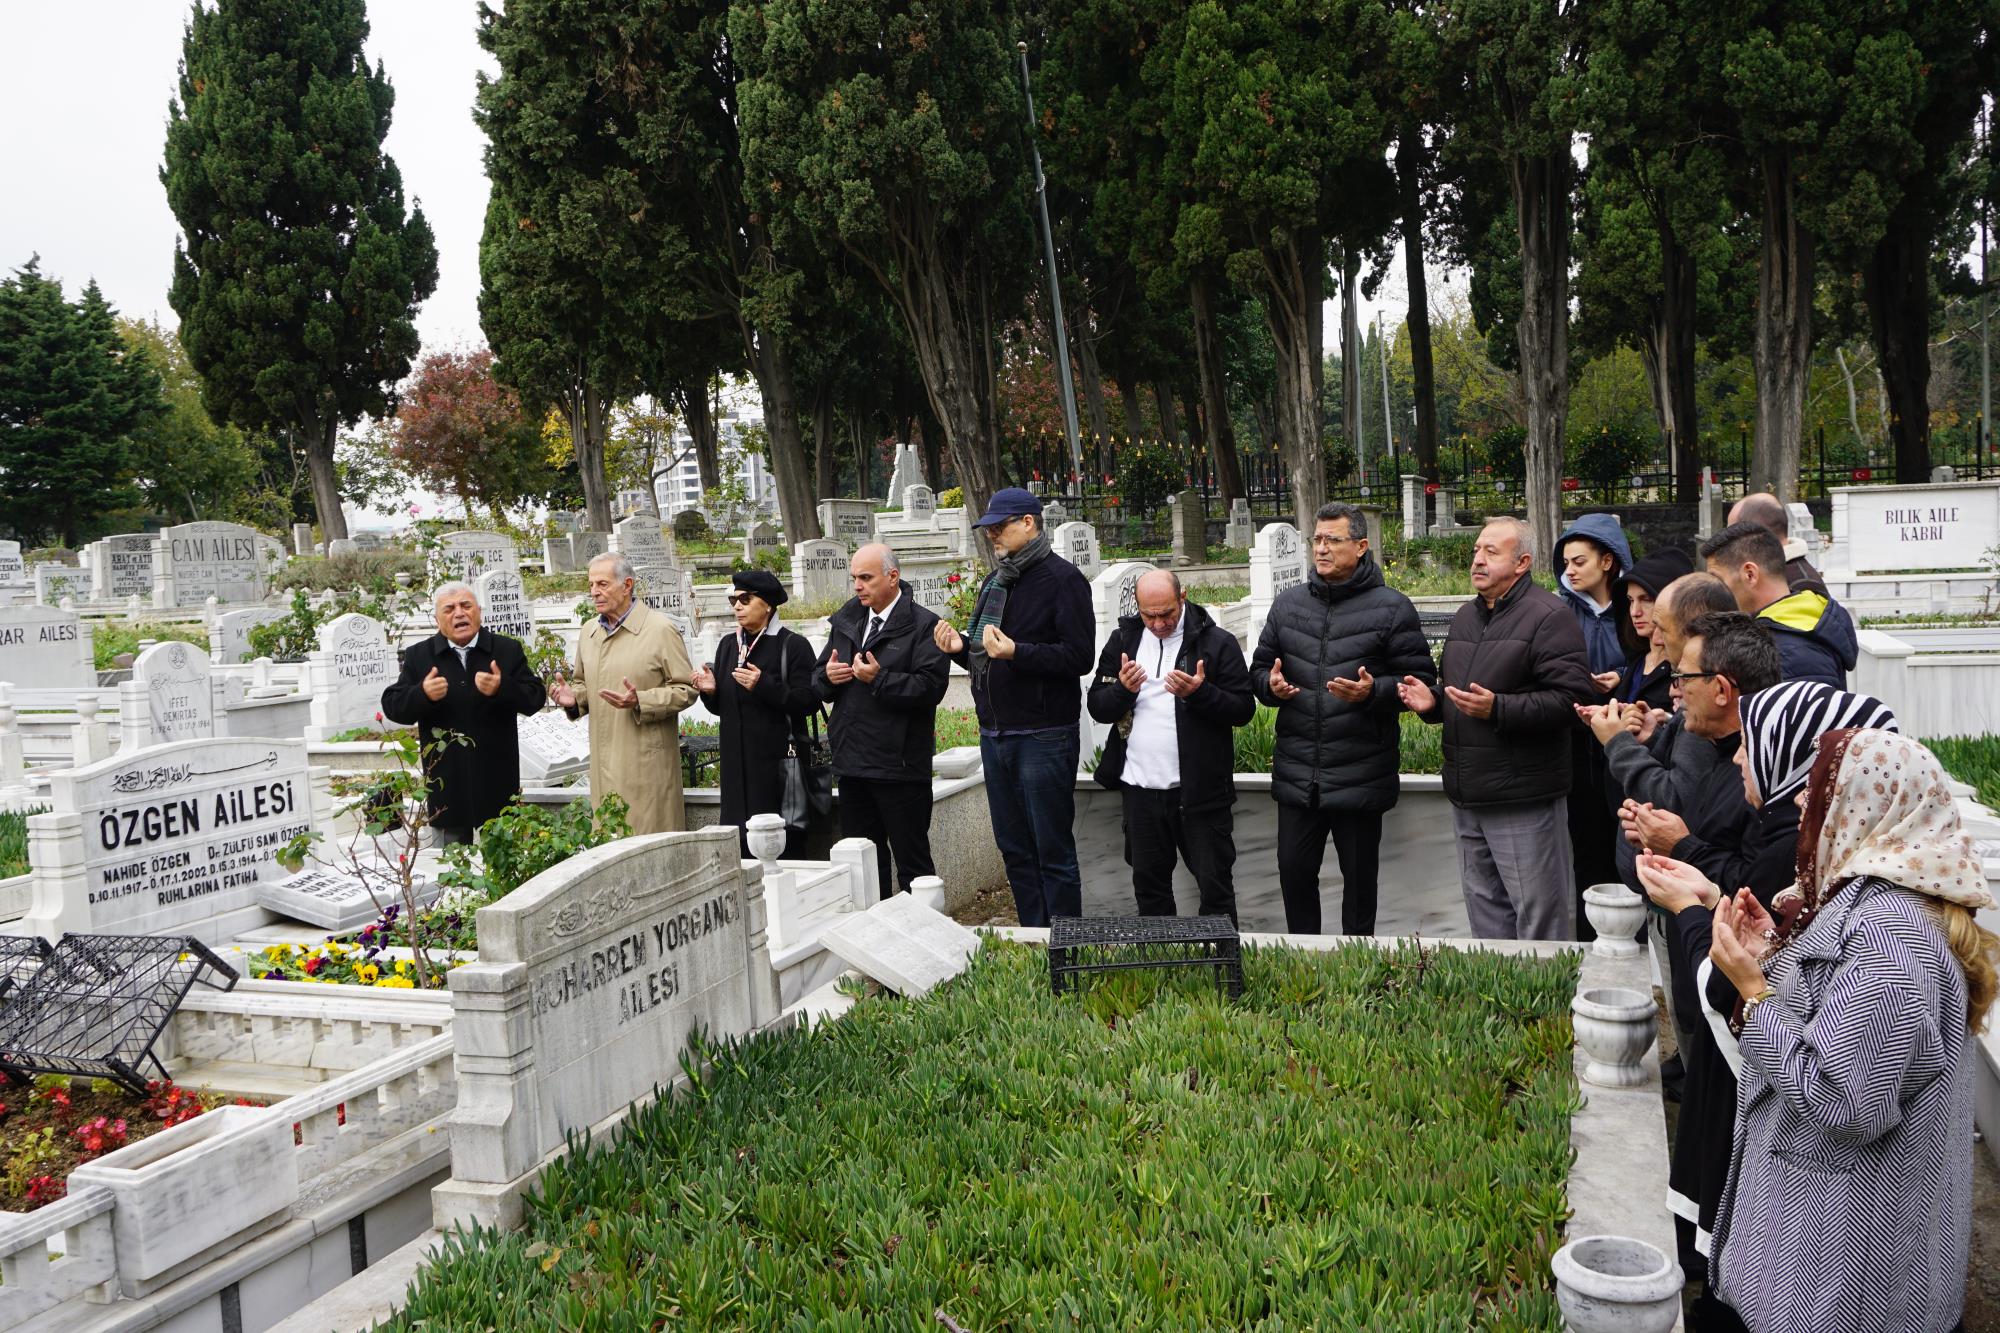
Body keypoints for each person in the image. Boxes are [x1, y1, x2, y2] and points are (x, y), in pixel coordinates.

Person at [1657, 728, 1992, 1332]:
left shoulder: (1894, 940)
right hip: (1824, 1252)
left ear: (1870, 807)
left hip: (1837, 1276)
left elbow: (1845, 1101)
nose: (1801, 807)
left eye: (1817, 792)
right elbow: (1832, 1021)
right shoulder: (1877, 908)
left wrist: (1754, 993)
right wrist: (1769, 958)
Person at [1398, 517, 1596, 940]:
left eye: (1491, 551)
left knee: (1539, 914)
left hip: (1523, 796)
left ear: (1522, 562)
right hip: (1468, 794)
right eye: (1475, 551)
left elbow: (1571, 700)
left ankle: (1550, 1001)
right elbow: (1460, 694)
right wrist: (1433, 703)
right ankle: (1508, 1002)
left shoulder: (1549, 616)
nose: (1478, 559)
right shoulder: (1467, 617)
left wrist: (1500, 709)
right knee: (1486, 914)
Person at [1248, 503, 1433, 934]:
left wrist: (1374, 692)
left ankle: (1357, 964)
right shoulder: (1288, 606)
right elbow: (1258, 672)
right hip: (1299, 775)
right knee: (1294, 875)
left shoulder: (1392, 609)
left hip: (1360, 774)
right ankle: (1302, 961)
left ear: (1362, 546)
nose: (1322, 548)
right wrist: (1269, 687)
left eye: (1333, 540)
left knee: (1359, 885)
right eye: (1316, 539)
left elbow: (1420, 683)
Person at [933, 488, 1094, 926]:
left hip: (1043, 734)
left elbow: (1081, 657)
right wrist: (956, 649)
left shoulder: (1063, 580)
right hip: (996, 735)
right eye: (987, 530)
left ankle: (1064, 945)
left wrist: (1018, 653)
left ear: (1029, 522)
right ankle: (1032, 937)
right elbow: (983, 655)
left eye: (999, 527)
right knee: (1015, 848)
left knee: (1052, 851)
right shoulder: (996, 581)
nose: (992, 536)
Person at [1088, 569, 1256, 922]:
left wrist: (1201, 694)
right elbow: (1098, 706)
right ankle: (1161, 968)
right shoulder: (1123, 641)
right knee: (1150, 889)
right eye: (1149, 615)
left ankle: (1220, 969)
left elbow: (1243, 709)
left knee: (1215, 888)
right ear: (1138, 606)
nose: (1159, 623)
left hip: (1200, 793)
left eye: (1167, 613)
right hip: (1140, 791)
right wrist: (1122, 690)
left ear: (1183, 598)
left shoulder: (1216, 643)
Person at [816, 543, 951, 897]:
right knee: (864, 867)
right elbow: (817, 681)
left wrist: (879, 679)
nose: (857, 586)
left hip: (900, 766)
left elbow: (931, 687)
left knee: (913, 864)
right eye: (854, 578)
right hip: (853, 764)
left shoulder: (924, 625)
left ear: (893, 577)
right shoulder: (846, 621)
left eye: (865, 577)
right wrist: (828, 677)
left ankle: (921, 937)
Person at [379, 581, 547, 843]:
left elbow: (535, 698)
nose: (459, 613)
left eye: (466, 606)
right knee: (453, 870)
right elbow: (393, 706)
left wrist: (503, 688)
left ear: (478, 611)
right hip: (447, 783)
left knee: (505, 865)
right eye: (449, 609)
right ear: (437, 619)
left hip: (497, 780)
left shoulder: (505, 650)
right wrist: (422, 694)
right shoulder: (419, 656)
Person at [551, 553, 697, 835]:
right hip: (603, 769)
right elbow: (583, 684)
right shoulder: (589, 632)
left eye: (603, 584)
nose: (594, 591)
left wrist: (641, 700)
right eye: (591, 584)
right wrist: (574, 699)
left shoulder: (659, 630)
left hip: (646, 769)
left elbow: (686, 689)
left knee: (647, 852)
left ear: (627, 584)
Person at [692, 569, 820, 858]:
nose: (737, 606)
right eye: (733, 599)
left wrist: (764, 685)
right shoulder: (728, 646)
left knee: (780, 851)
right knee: (741, 852)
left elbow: (809, 700)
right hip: (737, 772)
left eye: (745, 599)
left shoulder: (793, 645)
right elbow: (726, 708)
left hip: (777, 770)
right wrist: (711, 692)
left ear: (768, 605)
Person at [1556, 515, 1635, 938]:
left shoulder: (1633, 605)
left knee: (1628, 847)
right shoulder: (1560, 608)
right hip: (1578, 748)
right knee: (1586, 851)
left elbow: (1653, 657)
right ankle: (1591, 939)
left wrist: (1623, 676)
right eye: (1566, 561)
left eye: (1580, 560)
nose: (1570, 569)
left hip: (1625, 746)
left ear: (1608, 561)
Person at [1699, 520, 1855, 688]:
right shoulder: (1791, 625)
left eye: (1718, 579)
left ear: (1750, 574)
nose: (1714, 590)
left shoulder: (1792, 653)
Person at [1610, 550, 1693, 712]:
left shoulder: (1687, 669)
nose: (1635, 611)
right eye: (1630, 600)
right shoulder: (1637, 661)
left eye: (1646, 599)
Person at [1728, 490, 1826, 594]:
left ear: (1751, 535)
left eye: (1731, 535)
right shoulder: (1772, 571)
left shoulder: (1802, 586)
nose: (1728, 544)